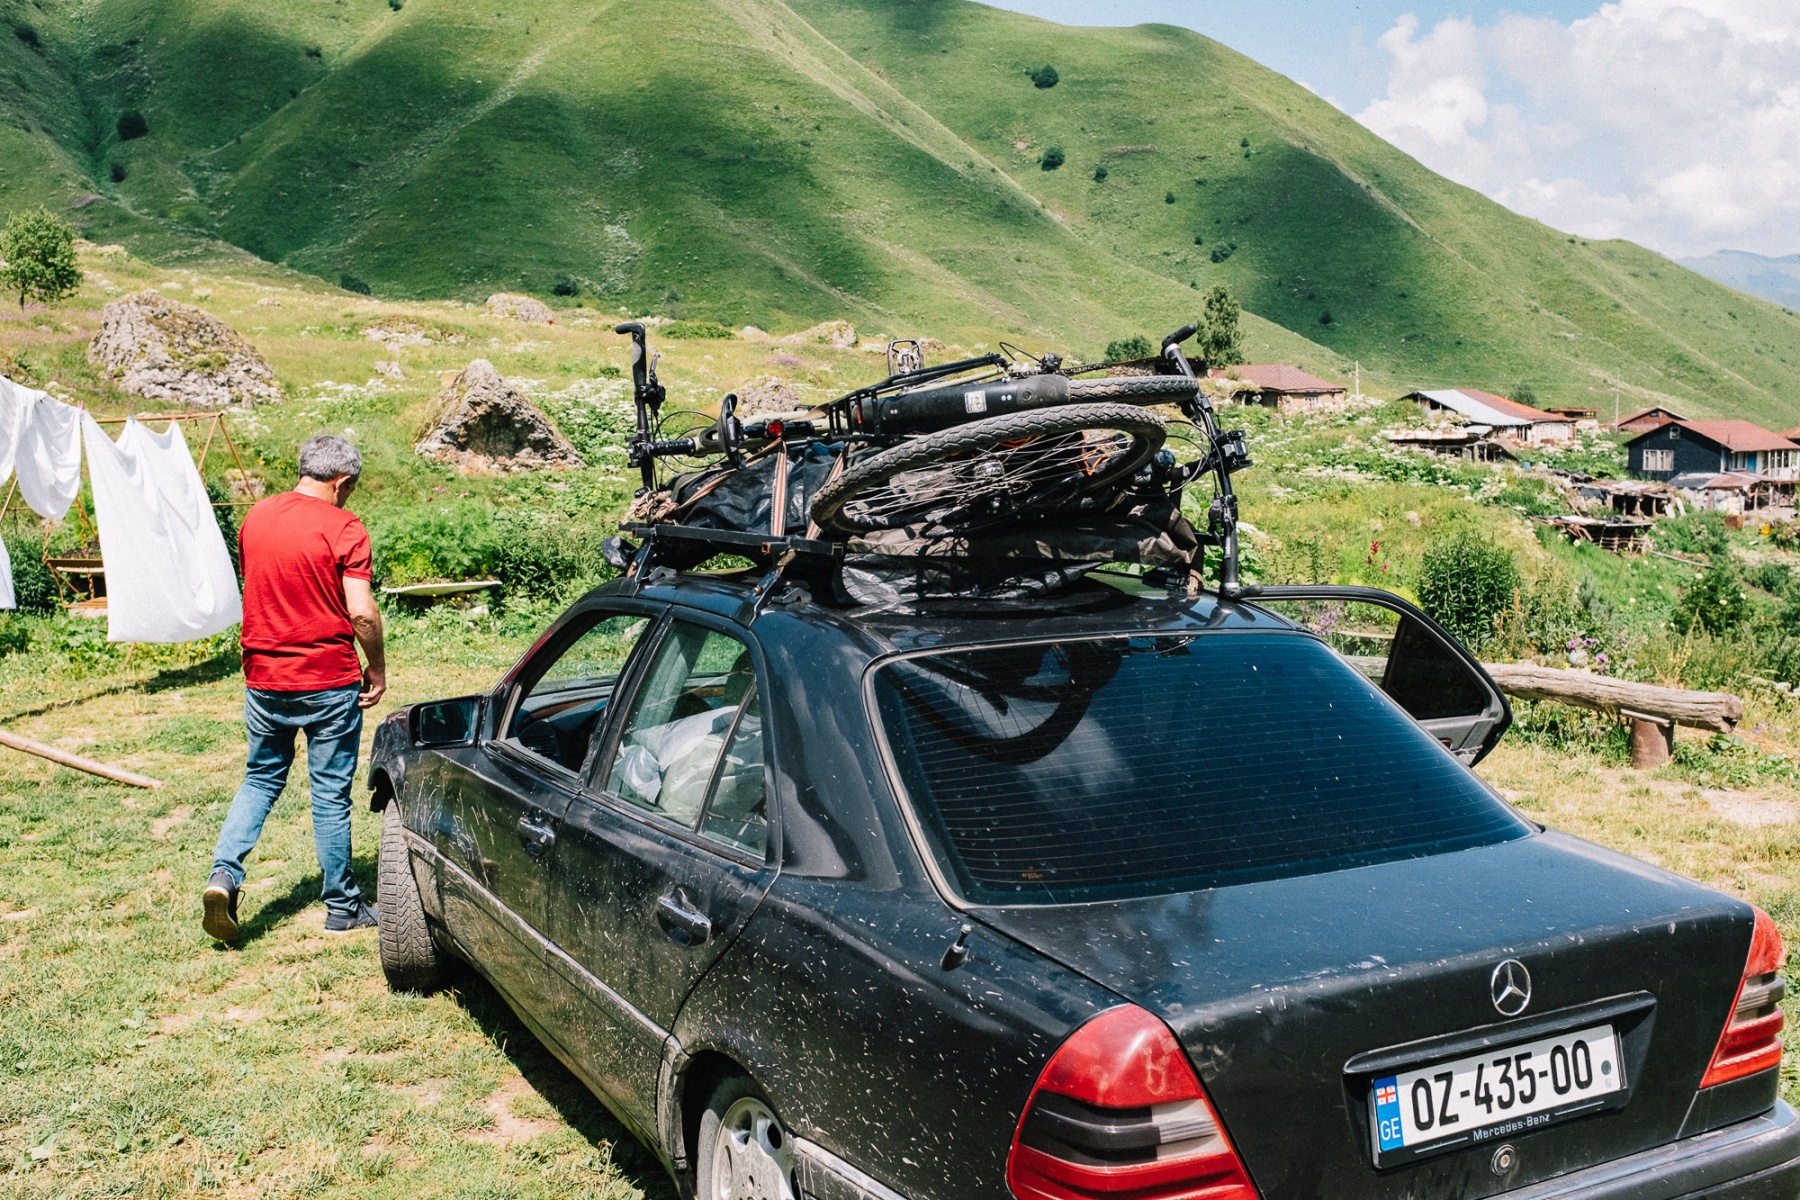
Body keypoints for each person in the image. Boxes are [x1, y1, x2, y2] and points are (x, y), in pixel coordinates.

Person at [202, 435, 386, 942]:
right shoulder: (345, 527)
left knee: (260, 779)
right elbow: (361, 611)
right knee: (329, 793)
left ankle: (224, 876)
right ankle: (342, 907)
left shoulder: (256, 517)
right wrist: (377, 669)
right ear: (341, 481)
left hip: (264, 677)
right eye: (350, 489)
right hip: (327, 679)